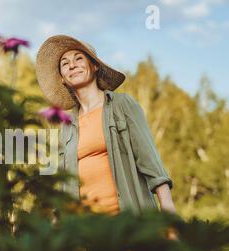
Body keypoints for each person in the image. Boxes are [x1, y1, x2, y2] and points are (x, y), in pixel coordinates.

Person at [35, 35, 176, 215]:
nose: (72, 65)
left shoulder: (122, 105)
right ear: (63, 78)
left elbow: (150, 160)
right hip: (86, 230)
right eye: (65, 63)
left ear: (94, 66)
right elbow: (63, 185)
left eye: (79, 58)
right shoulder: (66, 126)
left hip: (128, 221)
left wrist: (168, 213)